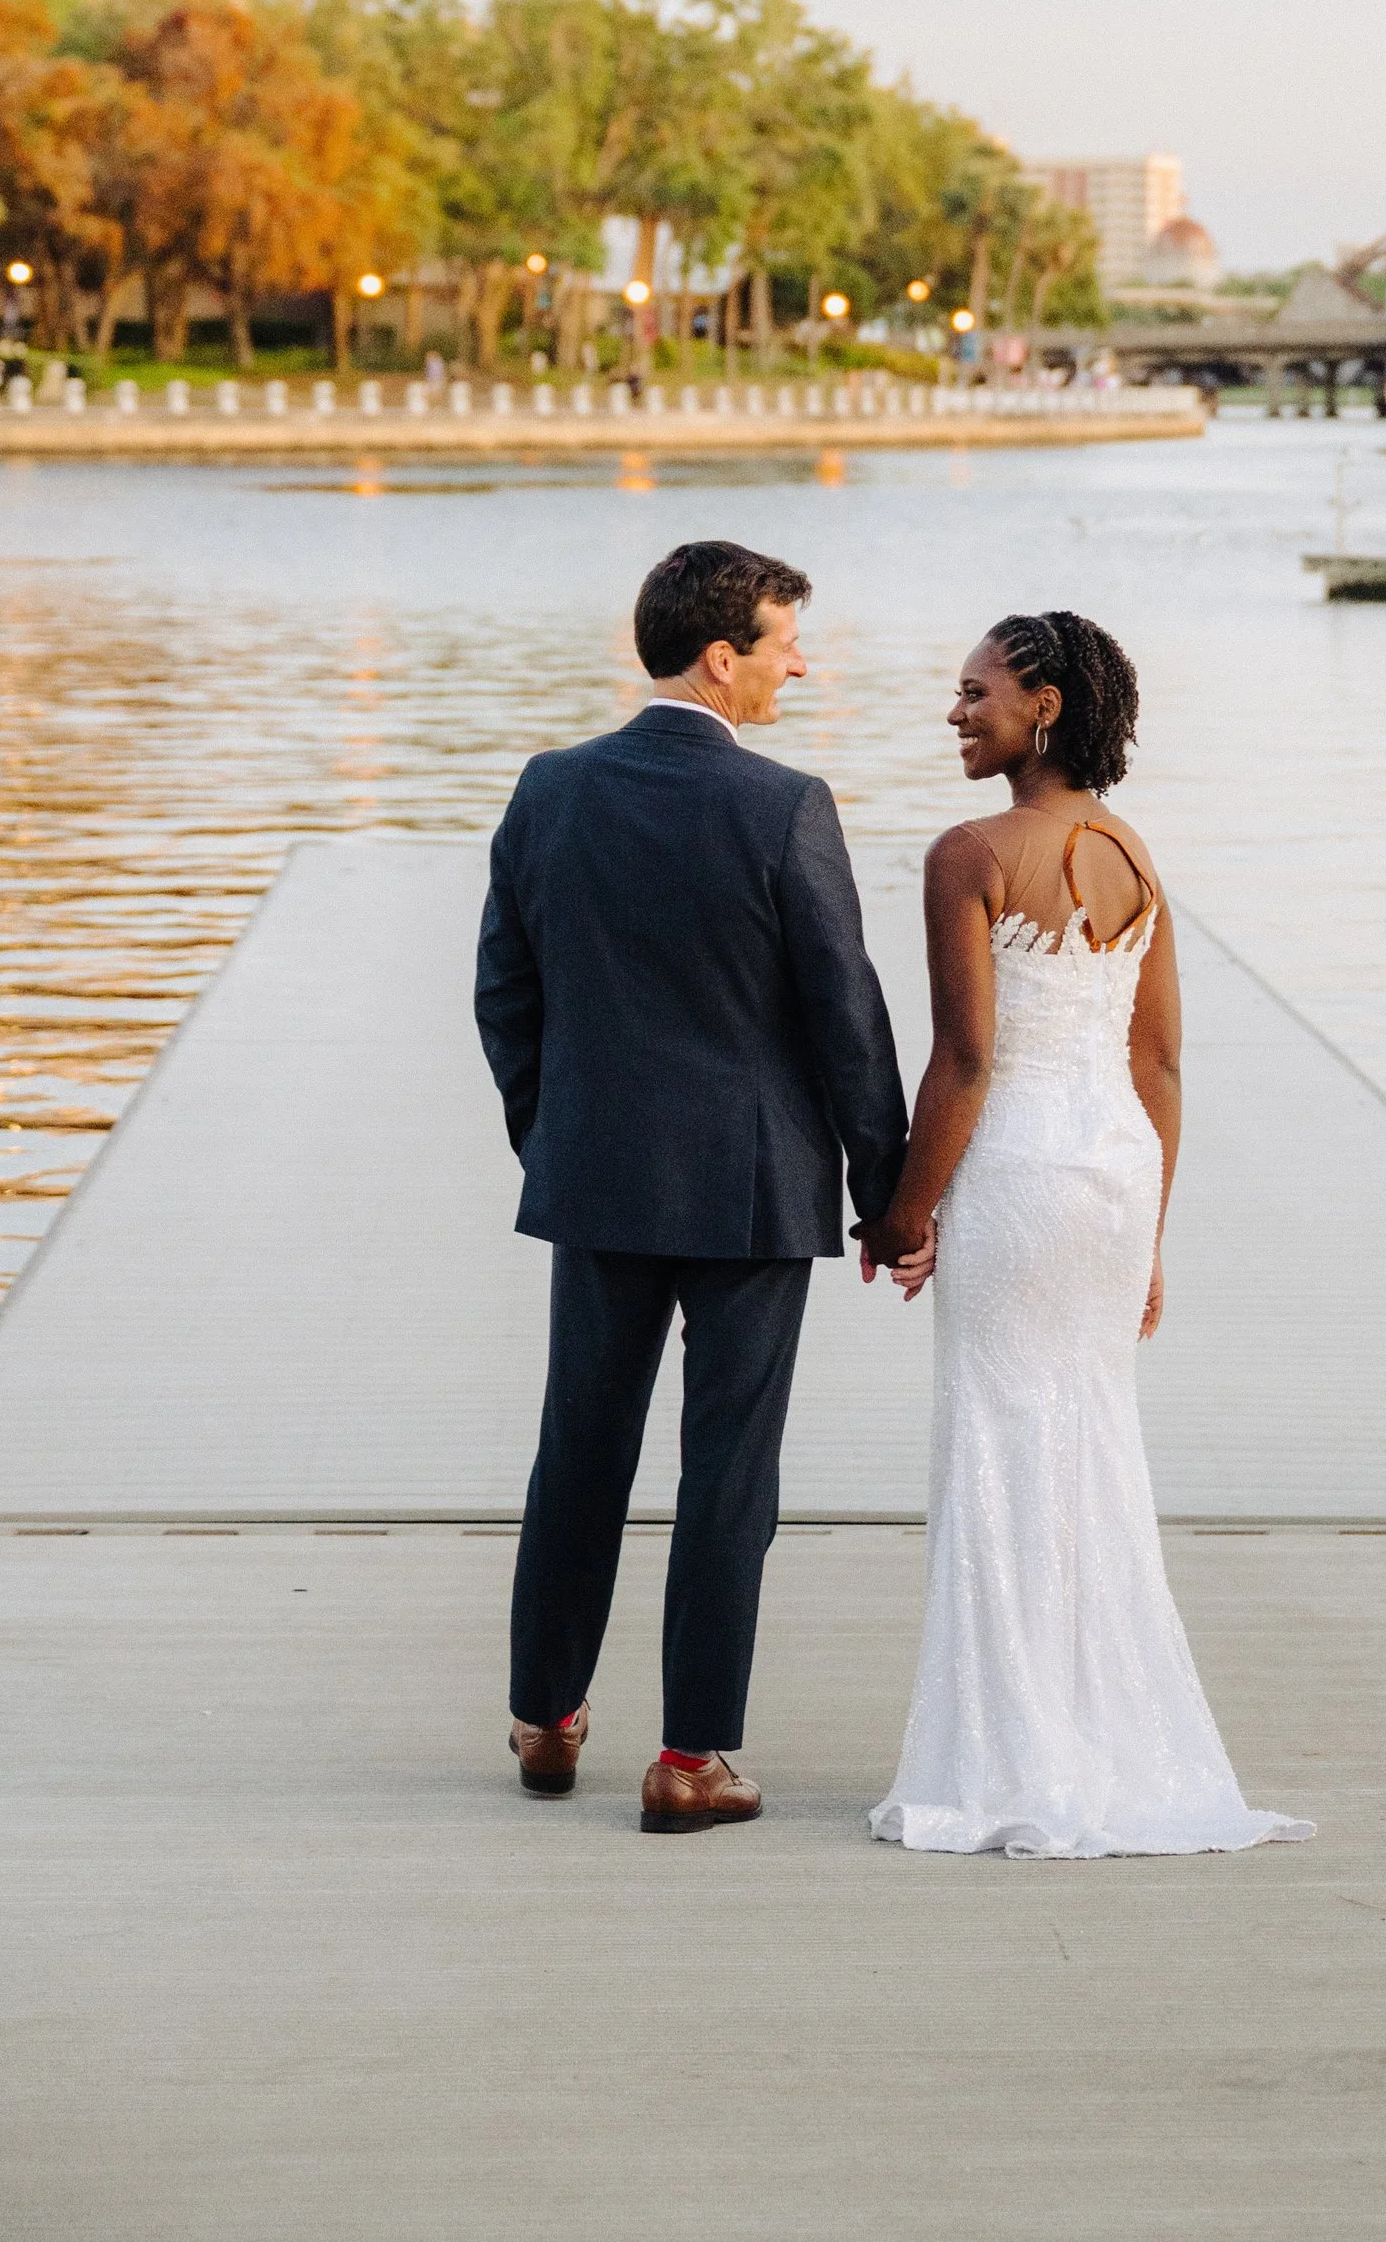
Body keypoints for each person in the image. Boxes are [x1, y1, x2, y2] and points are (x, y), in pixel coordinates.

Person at [474, 537, 908, 1832]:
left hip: (600, 1176)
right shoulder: (784, 807)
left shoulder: (550, 790)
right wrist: (886, 1196)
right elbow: (848, 1022)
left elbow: (505, 990)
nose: (798, 666)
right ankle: (691, 1758)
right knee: (729, 1472)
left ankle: (545, 1716)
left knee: (580, 1450)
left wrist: (555, 1133)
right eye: (784, 644)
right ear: (724, 658)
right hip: (753, 1189)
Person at [864, 609, 1311, 1861]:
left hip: (1011, 1173)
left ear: (1045, 704)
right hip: (1113, 1171)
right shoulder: (1133, 852)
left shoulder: (969, 852)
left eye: (973, 693)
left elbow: (964, 1062)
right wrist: (1151, 1233)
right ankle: (1098, 1737)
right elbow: (1158, 1059)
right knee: (1091, 1445)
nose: (955, 713)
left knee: (998, 1441)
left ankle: (1008, 1752)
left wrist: (903, 1214)